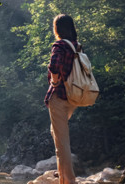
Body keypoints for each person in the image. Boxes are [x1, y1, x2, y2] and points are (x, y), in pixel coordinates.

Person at [44, 14, 80, 184]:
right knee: (57, 134)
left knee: (61, 143)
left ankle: (68, 180)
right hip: (73, 97)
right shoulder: (76, 46)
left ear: (57, 28)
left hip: (59, 96)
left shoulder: (59, 46)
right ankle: (63, 176)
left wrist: (55, 81)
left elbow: (54, 65)